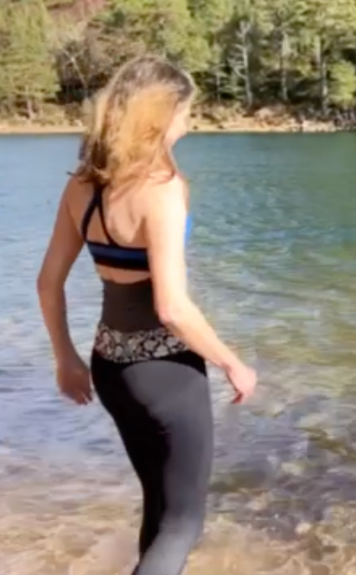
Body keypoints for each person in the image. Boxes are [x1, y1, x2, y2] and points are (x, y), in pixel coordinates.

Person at [36, 54, 257, 575]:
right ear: (160, 116)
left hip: (111, 367)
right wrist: (232, 362)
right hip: (166, 373)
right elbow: (172, 308)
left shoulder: (83, 186)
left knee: (159, 507)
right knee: (183, 522)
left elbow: (48, 282)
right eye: (185, 112)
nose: (189, 123)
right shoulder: (160, 189)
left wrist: (66, 359)